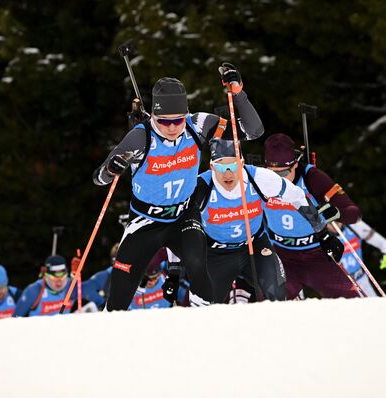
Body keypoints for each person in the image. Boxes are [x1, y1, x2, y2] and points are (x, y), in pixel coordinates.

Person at [92, 64, 264, 310]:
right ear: (153, 116)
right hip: (145, 221)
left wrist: (238, 94)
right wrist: (111, 170)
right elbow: (98, 179)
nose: (172, 128)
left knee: (197, 265)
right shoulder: (141, 137)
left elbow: (252, 131)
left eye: (177, 120)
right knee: (120, 293)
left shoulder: (199, 125)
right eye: (164, 121)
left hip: (184, 215)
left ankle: (201, 322)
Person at [186, 139, 328, 303]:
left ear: (242, 163)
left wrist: (322, 231)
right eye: (220, 167)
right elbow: (178, 224)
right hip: (216, 254)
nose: (228, 174)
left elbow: (296, 196)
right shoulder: (201, 186)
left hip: (255, 247)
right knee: (202, 305)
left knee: (280, 294)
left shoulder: (259, 178)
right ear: (211, 167)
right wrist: (175, 270)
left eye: (233, 166)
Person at [263, 133, 362, 299]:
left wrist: (338, 213)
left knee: (352, 303)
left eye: (284, 173)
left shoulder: (312, 178)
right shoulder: (259, 179)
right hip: (280, 257)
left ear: (295, 165)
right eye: (272, 174)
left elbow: (355, 213)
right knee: (267, 309)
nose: (278, 180)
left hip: (316, 254)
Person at [336, 220, 386, 296]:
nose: (336, 224)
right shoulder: (320, 236)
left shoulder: (354, 225)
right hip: (340, 288)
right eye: (330, 222)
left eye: (337, 219)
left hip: (363, 282)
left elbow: (383, 243)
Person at [13, 255, 78, 317]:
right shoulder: (34, 291)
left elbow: (87, 292)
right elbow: (15, 318)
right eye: (54, 278)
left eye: (63, 277)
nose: (59, 282)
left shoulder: (71, 286)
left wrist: (78, 272)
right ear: (46, 276)